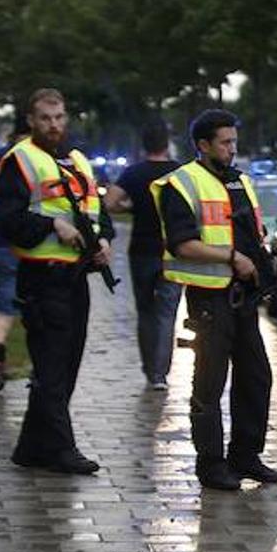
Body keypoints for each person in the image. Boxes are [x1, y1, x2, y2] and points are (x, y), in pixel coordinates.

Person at [153, 109, 277, 491]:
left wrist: (265, 262)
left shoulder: (241, 181)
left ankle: (246, 456)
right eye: (225, 143)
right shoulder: (181, 183)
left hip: (243, 299)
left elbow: (250, 232)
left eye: (234, 142)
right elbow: (182, 244)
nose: (232, 149)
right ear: (203, 145)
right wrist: (231, 257)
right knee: (209, 384)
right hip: (209, 299)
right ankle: (211, 465)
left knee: (257, 377)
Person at [0, 88, 114, 475]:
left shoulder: (77, 160)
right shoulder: (19, 160)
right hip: (42, 280)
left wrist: (105, 241)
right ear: (31, 120)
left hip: (76, 278)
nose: (54, 125)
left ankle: (31, 449)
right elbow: (9, 222)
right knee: (51, 368)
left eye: (60, 117)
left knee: (67, 363)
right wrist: (52, 225)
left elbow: (95, 210)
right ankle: (63, 450)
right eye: (46, 118)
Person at [105, 119, 181, 390]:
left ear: (144, 144)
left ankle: (150, 368)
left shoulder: (134, 174)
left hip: (141, 251)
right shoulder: (180, 172)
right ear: (167, 143)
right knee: (167, 312)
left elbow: (109, 202)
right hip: (173, 250)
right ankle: (160, 373)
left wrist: (131, 206)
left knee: (145, 311)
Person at [0, 113, 31, 391]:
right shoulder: (39, 159)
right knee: (34, 306)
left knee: (2, 303)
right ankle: (37, 364)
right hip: (35, 244)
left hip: (2, 240)